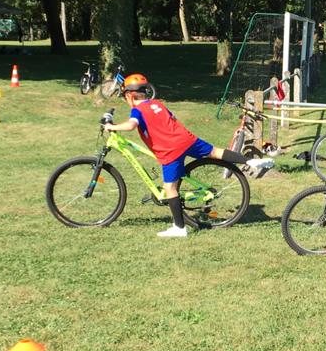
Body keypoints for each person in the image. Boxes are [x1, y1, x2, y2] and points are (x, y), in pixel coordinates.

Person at [101, 74, 273, 238]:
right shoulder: (157, 103)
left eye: (125, 97)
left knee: (170, 188)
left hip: (171, 149)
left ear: (130, 96)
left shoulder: (137, 110)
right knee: (215, 152)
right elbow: (172, 116)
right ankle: (251, 161)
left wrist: (111, 127)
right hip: (186, 139)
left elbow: (131, 125)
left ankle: (179, 227)